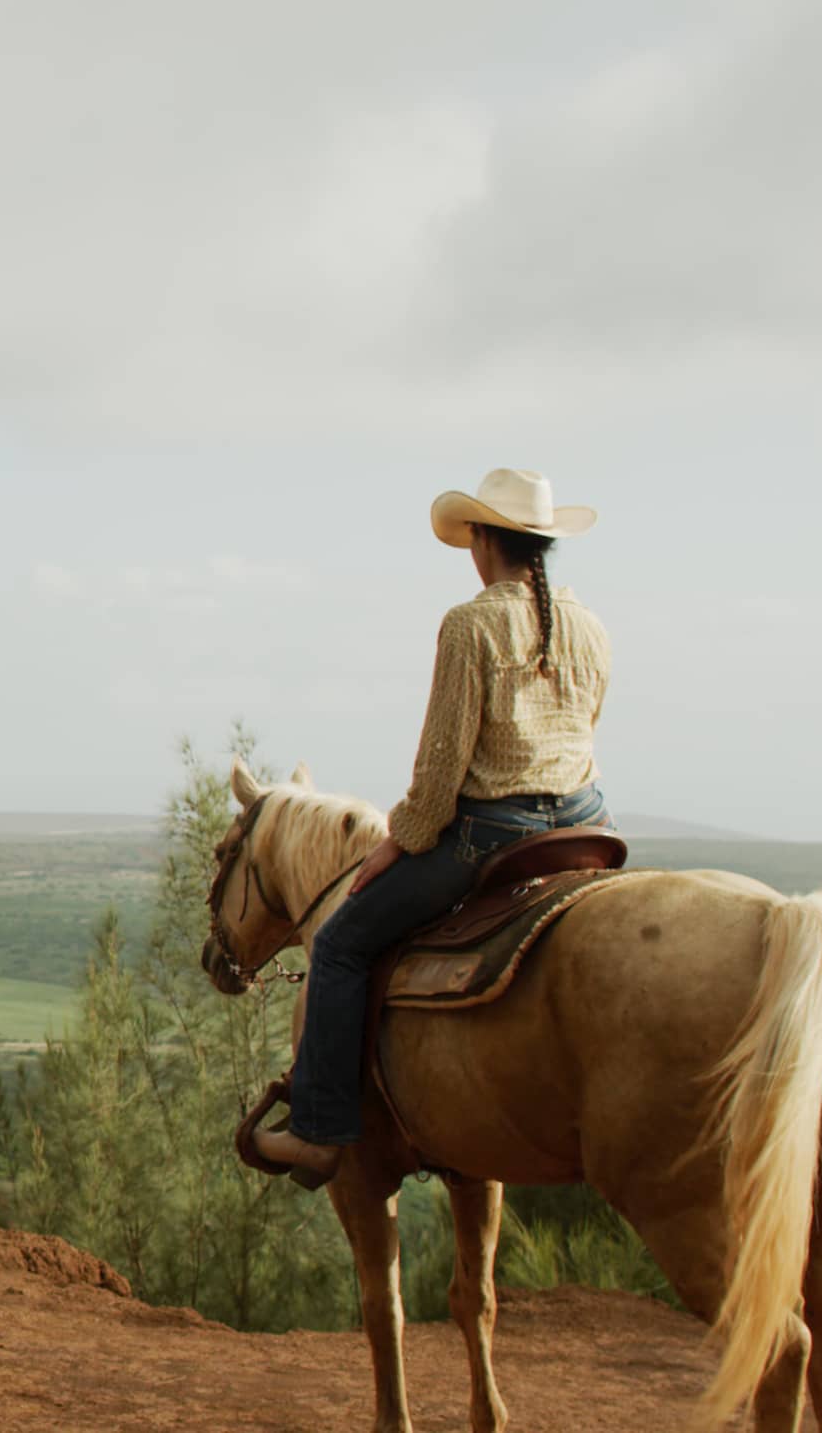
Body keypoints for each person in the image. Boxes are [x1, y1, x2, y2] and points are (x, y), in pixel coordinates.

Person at [252, 467, 614, 1187]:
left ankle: (321, 1130)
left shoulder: (470, 624)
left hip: (494, 836)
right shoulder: (590, 626)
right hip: (585, 823)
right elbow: (587, 727)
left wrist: (402, 840)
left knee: (343, 945)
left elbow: (444, 765)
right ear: (541, 543)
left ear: (481, 540)